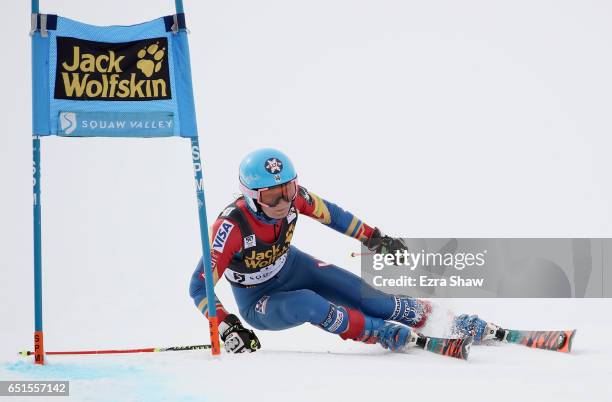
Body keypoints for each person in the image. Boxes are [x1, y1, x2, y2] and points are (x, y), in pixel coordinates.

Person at [189, 148, 493, 353]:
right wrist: (229, 326)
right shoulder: (231, 228)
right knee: (310, 304)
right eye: (272, 197)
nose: (283, 204)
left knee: (367, 296)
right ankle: (379, 332)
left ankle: (437, 317)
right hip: (260, 300)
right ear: (251, 196)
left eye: (288, 191)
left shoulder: (297, 199)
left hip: (293, 267)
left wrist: (376, 239)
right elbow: (198, 287)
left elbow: (334, 216)